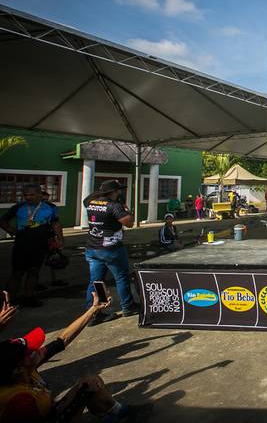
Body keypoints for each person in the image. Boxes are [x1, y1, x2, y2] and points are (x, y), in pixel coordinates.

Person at [0, 295, 153, 422]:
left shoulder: (26, 368)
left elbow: (63, 340)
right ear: (18, 369)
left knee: (90, 383)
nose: (37, 349)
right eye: (31, 352)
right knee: (87, 388)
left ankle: (117, 412)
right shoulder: (19, 400)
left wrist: (93, 309)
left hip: (51, 411)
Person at [83, 180, 139, 323]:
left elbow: (86, 199)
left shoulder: (90, 202)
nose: (120, 192)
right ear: (113, 192)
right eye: (118, 190)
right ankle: (128, 306)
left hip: (92, 248)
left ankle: (93, 313)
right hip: (111, 249)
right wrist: (126, 209)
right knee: (121, 277)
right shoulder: (114, 206)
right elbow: (129, 223)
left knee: (95, 281)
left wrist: (102, 190)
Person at [0, 184, 63, 307]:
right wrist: (11, 231)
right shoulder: (18, 207)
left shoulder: (50, 207)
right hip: (22, 245)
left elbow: (55, 224)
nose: (28, 197)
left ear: (40, 194)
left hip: (40, 244)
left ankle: (29, 298)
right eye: (26, 195)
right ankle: (7, 302)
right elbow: (2, 220)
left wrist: (60, 239)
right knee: (17, 272)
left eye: (31, 195)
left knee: (34, 271)